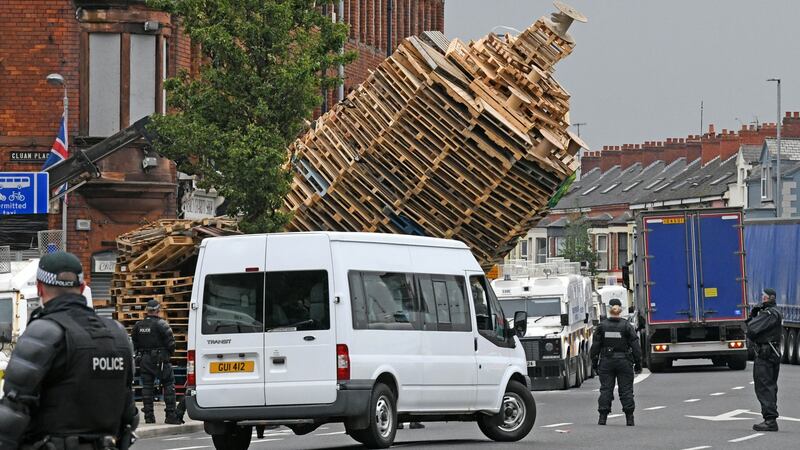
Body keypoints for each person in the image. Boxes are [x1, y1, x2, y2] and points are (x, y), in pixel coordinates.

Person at [0, 251, 138, 449]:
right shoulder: (117, 334)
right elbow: (129, 412)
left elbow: (13, 410)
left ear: (40, 288)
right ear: (82, 288)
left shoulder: (44, 332)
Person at [591, 298, 642, 427]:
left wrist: (594, 363)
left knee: (606, 390)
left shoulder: (602, 326)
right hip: (624, 361)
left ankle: (602, 417)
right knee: (626, 390)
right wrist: (638, 363)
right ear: (620, 309)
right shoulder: (626, 326)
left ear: (609, 309)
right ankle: (629, 418)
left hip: (606, 361)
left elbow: (595, 346)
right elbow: (635, 346)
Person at [132, 299, 180, 425]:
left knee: (147, 387)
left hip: (144, 359)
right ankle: (170, 415)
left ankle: (149, 416)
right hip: (160, 359)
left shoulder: (138, 325)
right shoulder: (162, 324)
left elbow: (134, 343)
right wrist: (169, 355)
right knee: (168, 384)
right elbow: (171, 343)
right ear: (158, 310)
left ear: (147, 310)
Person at [746, 288, 783, 432]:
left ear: (769, 298)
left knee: (764, 385)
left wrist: (753, 316)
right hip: (771, 352)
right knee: (770, 385)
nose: (762, 299)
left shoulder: (769, 313)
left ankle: (770, 420)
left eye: (764, 297)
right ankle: (770, 418)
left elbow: (751, 329)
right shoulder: (773, 312)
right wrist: (755, 314)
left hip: (765, 354)